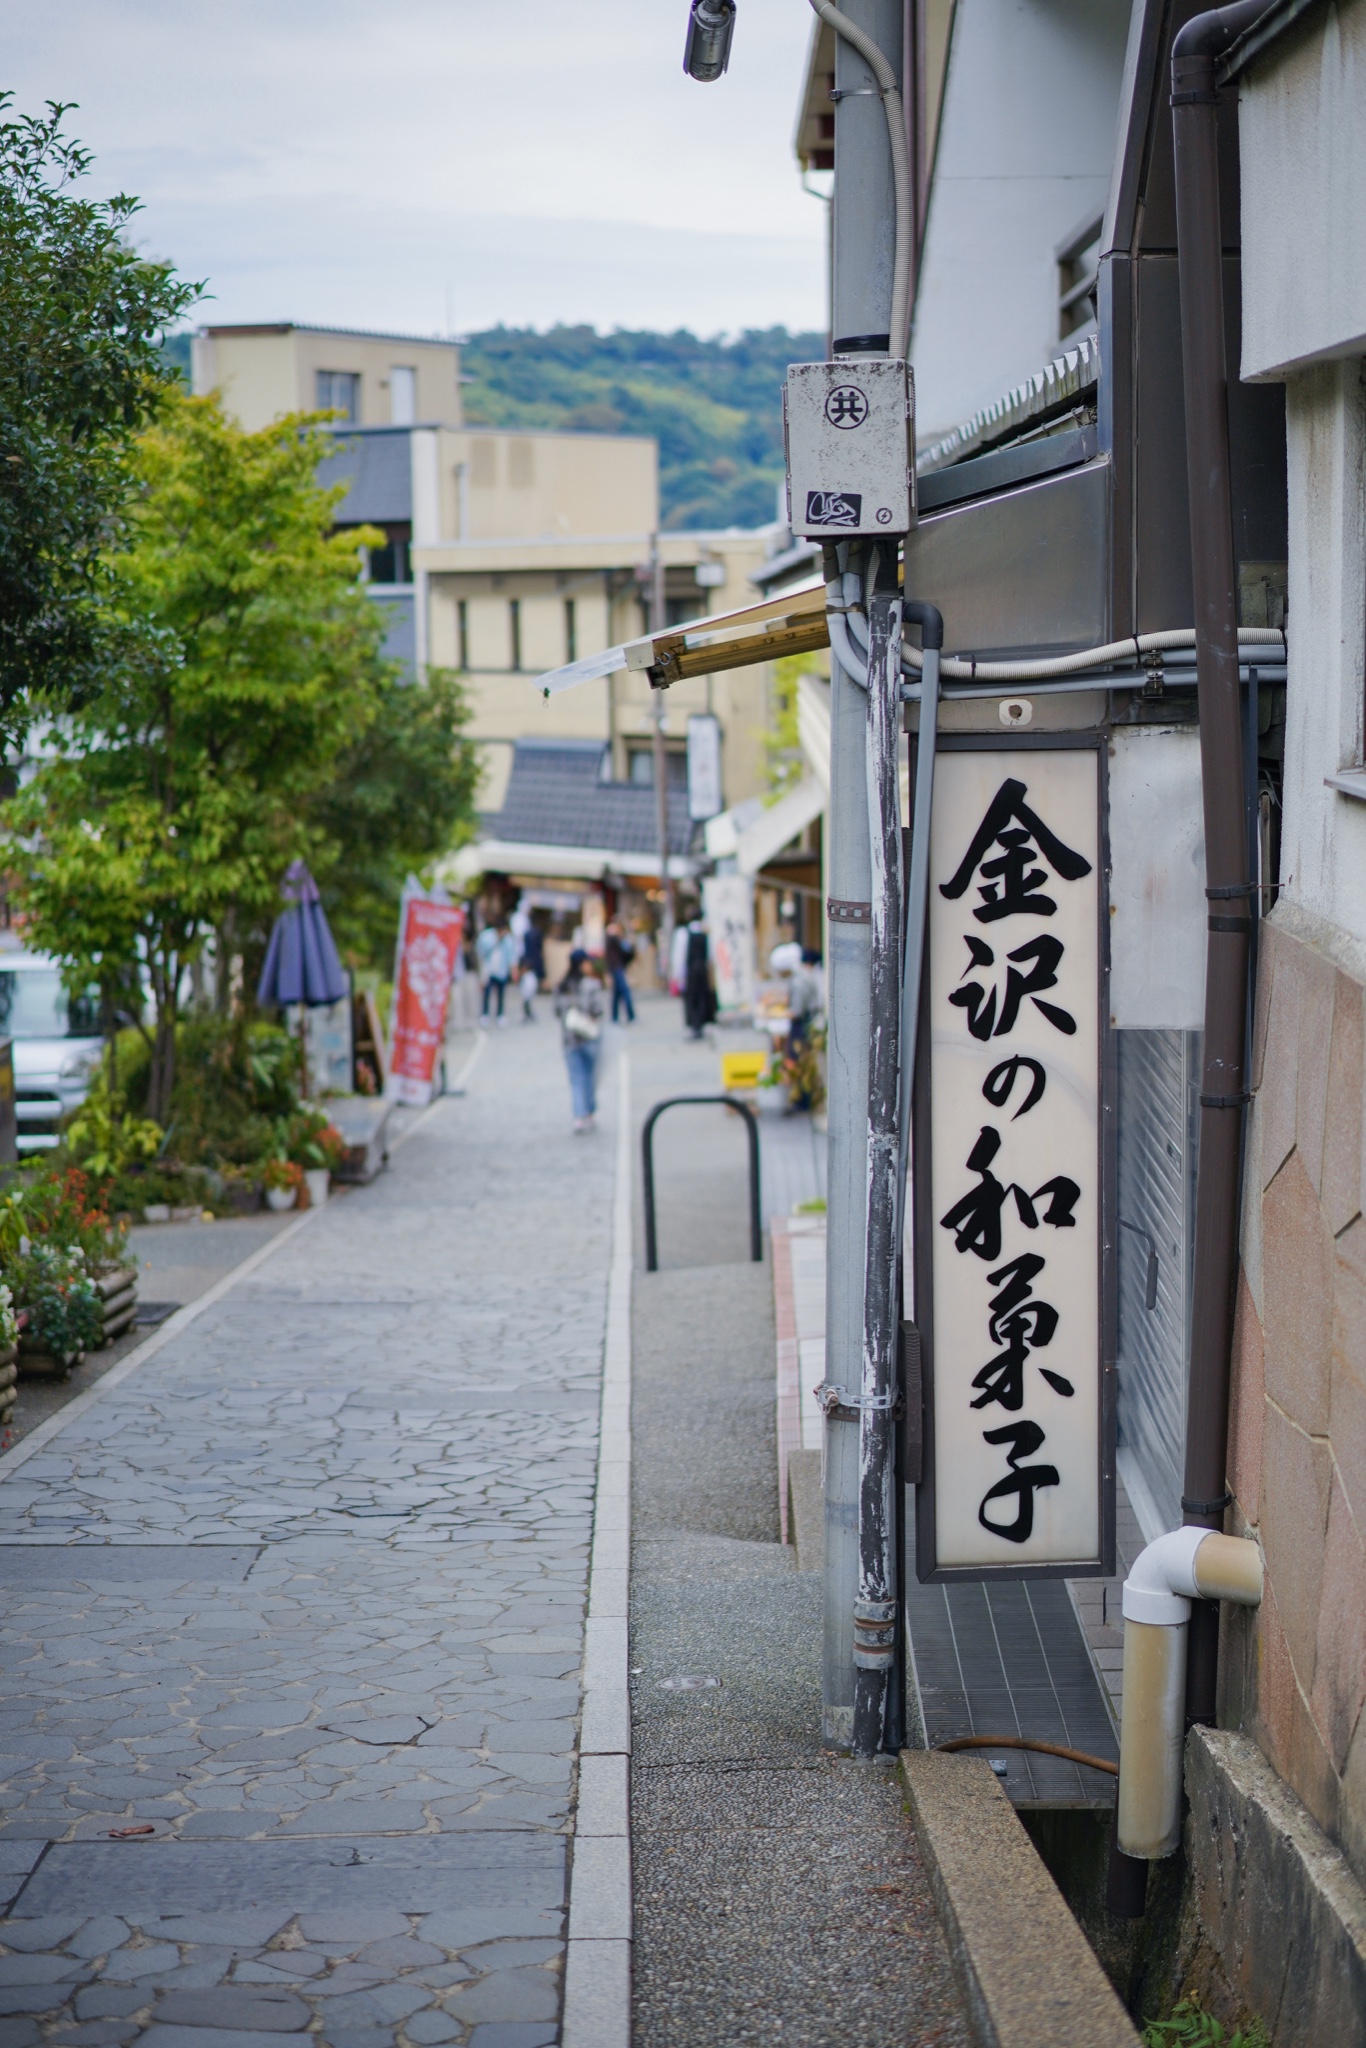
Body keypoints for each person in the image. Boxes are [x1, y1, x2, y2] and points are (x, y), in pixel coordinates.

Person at [555, 949, 605, 1132]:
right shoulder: (591, 985)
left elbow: (558, 1011)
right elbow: (598, 1009)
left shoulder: (562, 986)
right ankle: (590, 1112)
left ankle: (579, 1115)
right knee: (590, 1077)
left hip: (569, 1038)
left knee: (576, 1079)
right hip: (589, 1036)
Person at [476, 917, 517, 1027]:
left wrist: (513, 970)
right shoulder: (486, 936)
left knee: (501, 993)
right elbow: (481, 952)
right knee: (487, 993)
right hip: (488, 969)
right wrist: (497, 940)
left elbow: (512, 956)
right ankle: (485, 1014)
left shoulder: (508, 939)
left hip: (501, 969)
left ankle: (500, 1014)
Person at [682, 918, 715, 1040]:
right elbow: (711, 954)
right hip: (703, 969)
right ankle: (701, 1023)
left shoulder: (685, 933)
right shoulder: (705, 934)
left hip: (691, 970)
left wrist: (678, 975)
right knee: (702, 996)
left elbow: (680, 955)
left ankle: (695, 1025)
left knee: (692, 998)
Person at [604, 920, 636, 1024]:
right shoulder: (613, 939)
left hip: (618, 968)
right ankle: (628, 1016)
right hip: (617, 968)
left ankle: (615, 1017)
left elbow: (627, 953)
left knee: (617, 994)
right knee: (623, 992)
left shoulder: (618, 940)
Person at [519, 917, 545, 1024]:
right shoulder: (537, 934)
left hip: (528, 964)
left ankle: (528, 1013)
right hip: (533, 965)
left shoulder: (526, 935)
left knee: (527, 993)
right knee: (528, 992)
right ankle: (528, 1013)